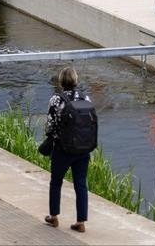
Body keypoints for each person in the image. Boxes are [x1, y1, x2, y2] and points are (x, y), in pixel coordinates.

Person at [44, 66, 92, 233]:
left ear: (61, 81)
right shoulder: (85, 97)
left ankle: (54, 217)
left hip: (62, 149)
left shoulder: (56, 100)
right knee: (80, 184)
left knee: (56, 182)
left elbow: (49, 126)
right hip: (83, 149)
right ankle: (81, 221)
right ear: (76, 81)